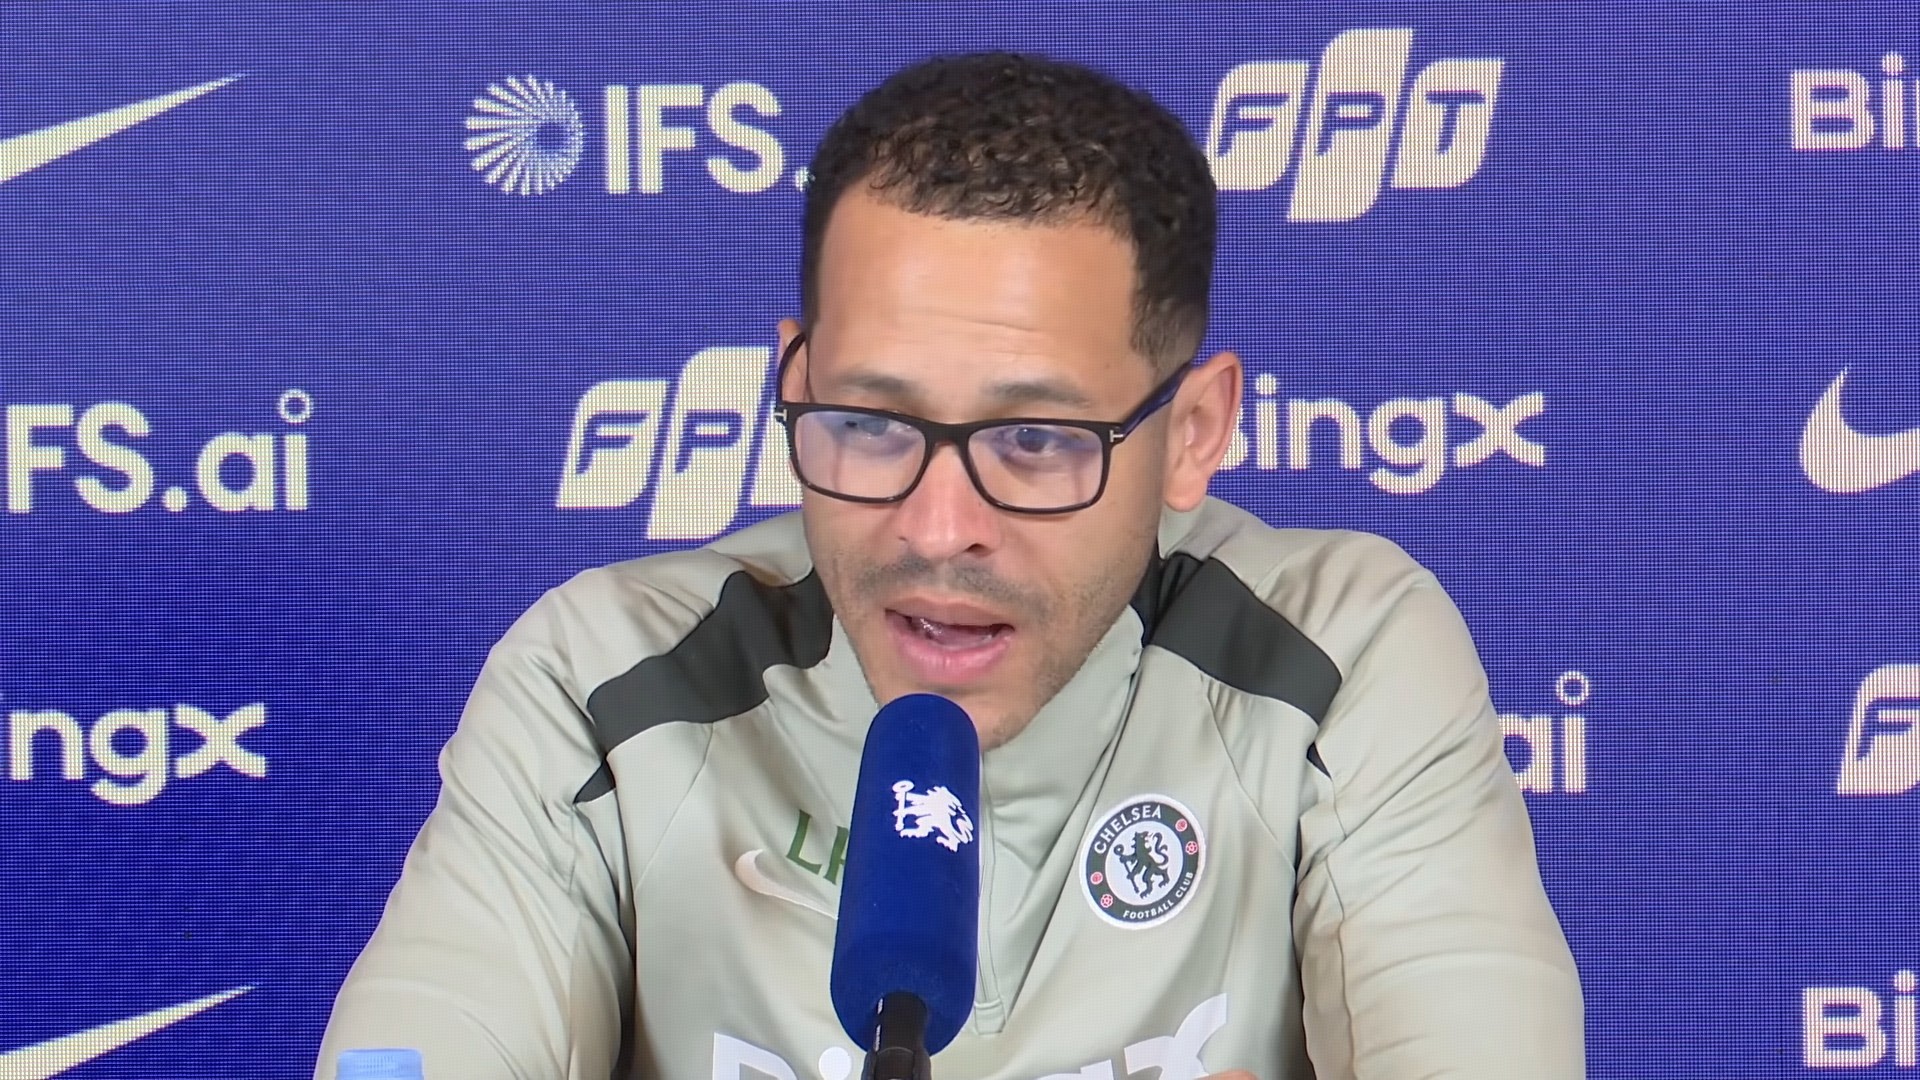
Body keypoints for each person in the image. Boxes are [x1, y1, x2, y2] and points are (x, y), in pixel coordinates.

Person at [315, 52, 1584, 1080]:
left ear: (1193, 433)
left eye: (1035, 441)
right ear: (795, 382)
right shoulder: (600, 677)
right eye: (869, 422)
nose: (936, 530)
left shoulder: (1345, 655)